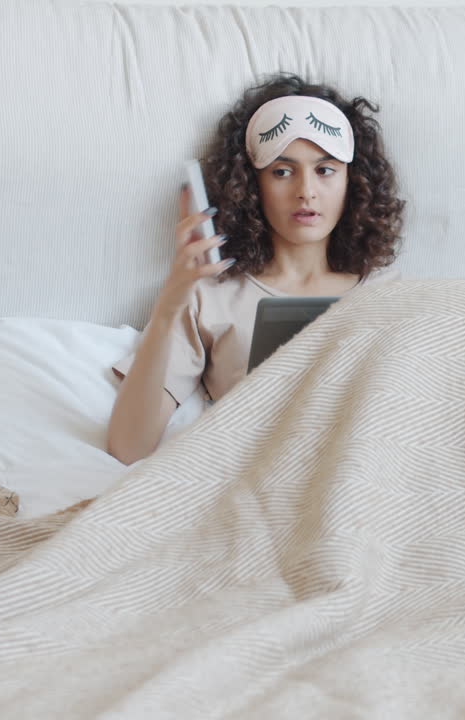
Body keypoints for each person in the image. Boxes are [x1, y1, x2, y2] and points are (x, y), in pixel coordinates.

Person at [106, 73, 407, 465]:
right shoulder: (208, 296)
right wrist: (170, 305)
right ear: (252, 185)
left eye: (325, 169)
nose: (306, 191)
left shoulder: (390, 291)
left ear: (353, 181)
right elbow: (128, 447)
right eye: (282, 171)